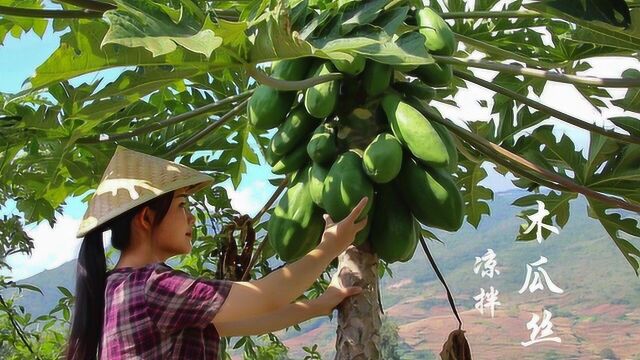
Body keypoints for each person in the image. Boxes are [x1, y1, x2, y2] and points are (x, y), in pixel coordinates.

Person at [64, 145, 369, 360]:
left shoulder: (115, 288)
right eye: (182, 206)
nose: (191, 218)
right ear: (145, 218)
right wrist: (331, 246)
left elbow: (255, 317)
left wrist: (320, 305)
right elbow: (265, 296)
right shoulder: (153, 286)